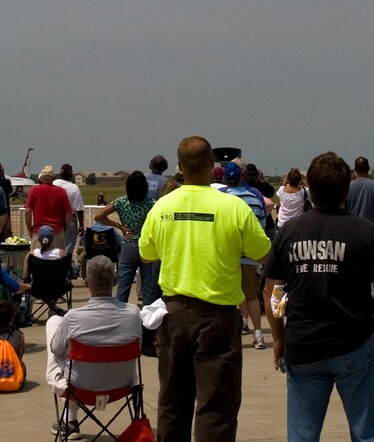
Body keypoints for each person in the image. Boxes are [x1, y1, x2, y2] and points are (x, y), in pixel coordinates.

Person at [138, 136, 271, 442]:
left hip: (172, 313)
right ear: (213, 167)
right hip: (217, 315)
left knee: (172, 402)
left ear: (180, 168)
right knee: (216, 405)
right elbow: (263, 252)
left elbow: (146, 253)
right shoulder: (233, 208)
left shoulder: (162, 207)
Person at [264, 150, 374, 442]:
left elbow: (274, 292)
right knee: (369, 433)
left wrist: (278, 337)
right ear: (345, 189)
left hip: (303, 343)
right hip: (353, 342)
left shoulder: (289, 231)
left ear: (311, 188)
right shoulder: (364, 231)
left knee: (302, 433)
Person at [46, 255, 142, 440]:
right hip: (123, 386)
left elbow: (57, 350)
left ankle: (69, 419)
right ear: (115, 281)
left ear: (87, 283)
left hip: (79, 388)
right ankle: (69, 419)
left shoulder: (73, 317)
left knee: (54, 323)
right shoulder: (134, 314)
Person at [222, 161, 269, 349]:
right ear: (241, 176)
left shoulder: (220, 197)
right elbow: (261, 228)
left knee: (229, 298)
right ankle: (258, 334)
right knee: (251, 296)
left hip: (227, 256)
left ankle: (232, 333)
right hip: (249, 256)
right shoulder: (254, 197)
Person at [94, 171, 156, 305]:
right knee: (147, 286)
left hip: (128, 244)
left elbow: (98, 216)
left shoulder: (121, 202)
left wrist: (119, 226)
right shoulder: (152, 203)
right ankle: (148, 319)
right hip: (147, 245)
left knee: (123, 286)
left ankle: (119, 314)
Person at [25, 167, 72, 250]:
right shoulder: (61, 191)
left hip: (38, 231)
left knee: (37, 258)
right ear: (53, 178)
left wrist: (29, 230)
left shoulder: (34, 190)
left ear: (41, 178)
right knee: (57, 259)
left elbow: (27, 211)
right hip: (57, 231)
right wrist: (66, 229)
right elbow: (68, 213)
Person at [54, 164, 85, 258]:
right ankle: (65, 266)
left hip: (54, 217)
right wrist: (81, 225)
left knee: (54, 245)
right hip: (70, 218)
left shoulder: (54, 183)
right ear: (71, 175)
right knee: (68, 247)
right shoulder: (74, 188)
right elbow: (79, 208)